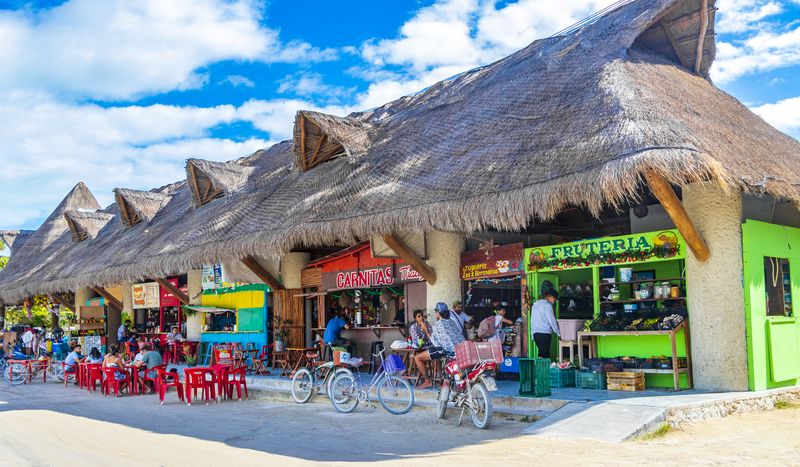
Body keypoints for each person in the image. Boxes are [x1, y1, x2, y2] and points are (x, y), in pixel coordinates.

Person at [414, 303, 465, 389]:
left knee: (417, 358)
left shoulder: (438, 324)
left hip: (446, 351)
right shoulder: (451, 322)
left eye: (436, 312)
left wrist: (426, 330)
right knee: (434, 355)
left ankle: (427, 381)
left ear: (438, 313)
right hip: (459, 350)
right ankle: (441, 377)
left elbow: (436, 343)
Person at [530, 290, 560, 359]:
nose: (554, 301)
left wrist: (532, 335)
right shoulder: (547, 306)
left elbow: (532, 320)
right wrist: (558, 332)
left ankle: (541, 368)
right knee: (545, 356)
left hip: (536, 334)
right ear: (550, 297)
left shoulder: (535, 305)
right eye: (554, 299)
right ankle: (542, 369)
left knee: (542, 354)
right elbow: (552, 320)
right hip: (544, 334)